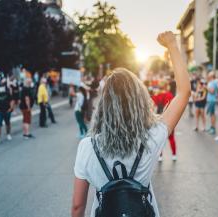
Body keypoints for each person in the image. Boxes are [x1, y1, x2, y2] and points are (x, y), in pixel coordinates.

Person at [71, 31, 191, 217]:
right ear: (140, 101)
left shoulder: (88, 147)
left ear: (103, 105)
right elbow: (183, 92)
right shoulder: (151, 137)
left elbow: (78, 207)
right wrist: (172, 45)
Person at [152, 82, 177, 161]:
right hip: (169, 118)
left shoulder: (156, 96)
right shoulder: (169, 95)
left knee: (159, 138)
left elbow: (152, 106)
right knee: (171, 138)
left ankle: (160, 156)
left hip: (158, 119)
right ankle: (174, 155)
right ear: (166, 87)